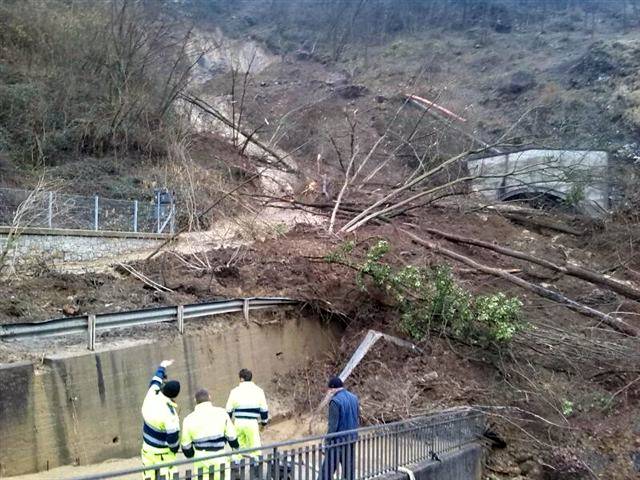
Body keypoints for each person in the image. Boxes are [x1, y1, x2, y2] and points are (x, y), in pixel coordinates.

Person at [181, 388, 240, 480]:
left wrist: (192, 455)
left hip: (200, 457)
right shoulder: (222, 413)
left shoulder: (188, 419)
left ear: (195, 400)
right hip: (219, 455)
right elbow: (232, 437)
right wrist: (236, 448)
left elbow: (186, 446)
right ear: (210, 397)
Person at [141, 359, 181, 480]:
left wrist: (162, 367)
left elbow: (155, 380)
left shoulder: (152, 394)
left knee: (148, 476)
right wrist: (174, 449)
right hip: (163, 455)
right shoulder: (170, 414)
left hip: (147, 450)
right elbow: (173, 440)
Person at [321, 376, 359, 480]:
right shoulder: (354, 398)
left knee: (327, 470)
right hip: (351, 438)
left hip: (338, 441)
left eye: (329, 389)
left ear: (333, 388)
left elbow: (333, 425)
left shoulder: (335, 401)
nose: (329, 392)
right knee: (349, 470)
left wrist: (327, 441)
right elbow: (356, 418)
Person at [225, 368, 269, 457]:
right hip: (252, 423)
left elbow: (228, 410)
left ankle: (237, 466)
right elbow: (264, 410)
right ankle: (257, 467)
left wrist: (228, 425)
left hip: (238, 422)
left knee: (238, 449)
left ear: (241, 379)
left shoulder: (234, 391)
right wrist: (263, 424)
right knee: (255, 448)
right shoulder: (259, 391)